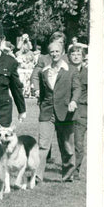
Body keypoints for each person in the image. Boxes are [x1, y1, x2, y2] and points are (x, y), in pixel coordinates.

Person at [35, 31, 81, 183]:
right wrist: (41, 103)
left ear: (62, 53)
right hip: (47, 113)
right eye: (52, 52)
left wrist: (74, 101)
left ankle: (68, 174)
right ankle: (37, 176)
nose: (54, 54)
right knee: (42, 145)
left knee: (67, 147)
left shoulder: (71, 70)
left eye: (57, 51)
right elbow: (42, 92)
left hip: (66, 112)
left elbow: (77, 88)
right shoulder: (44, 72)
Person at [0, 19, 26, 131]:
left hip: (3, 110)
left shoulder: (10, 62)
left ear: (2, 39)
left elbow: (16, 88)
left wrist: (21, 110)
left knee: (1, 145)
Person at [68, 44, 87, 179]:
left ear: (83, 57)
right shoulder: (65, 71)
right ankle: (68, 167)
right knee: (68, 141)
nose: (76, 56)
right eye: (73, 54)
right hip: (67, 110)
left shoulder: (88, 73)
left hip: (82, 110)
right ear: (69, 56)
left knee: (79, 143)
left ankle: (76, 170)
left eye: (79, 54)